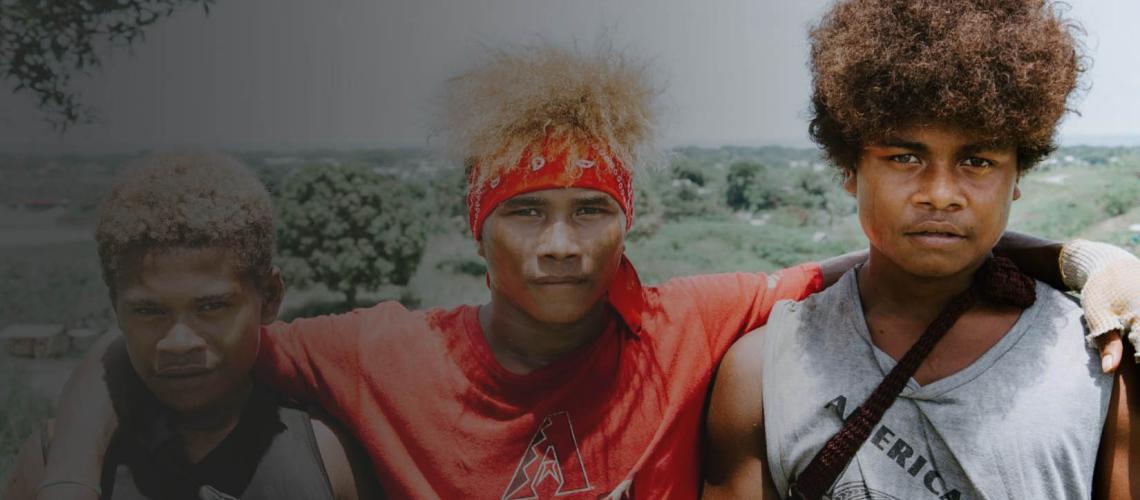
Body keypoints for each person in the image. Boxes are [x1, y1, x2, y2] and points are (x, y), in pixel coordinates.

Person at [33, 45, 1140, 499]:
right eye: (525, 211)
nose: (560, 243)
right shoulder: (380, 352)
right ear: (479, 223)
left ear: (628, 217)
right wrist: (79, 438)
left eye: (590, 208)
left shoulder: (693, 320)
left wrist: (1083, 253)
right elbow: (181, 343)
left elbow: (908, 250)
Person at [702, 1, 1139, 498]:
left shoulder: (1096, 361)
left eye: (977, 161)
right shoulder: (763, 371)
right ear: (849, 167)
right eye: (905, 157)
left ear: (1017, 176)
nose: (940, 192)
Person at [2, 153, 378, 500]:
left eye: (212, 306)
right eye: (149, 311)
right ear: (115, 307)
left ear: (270, 296)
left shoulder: (325, 460)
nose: (178, 342)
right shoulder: (55, 461)